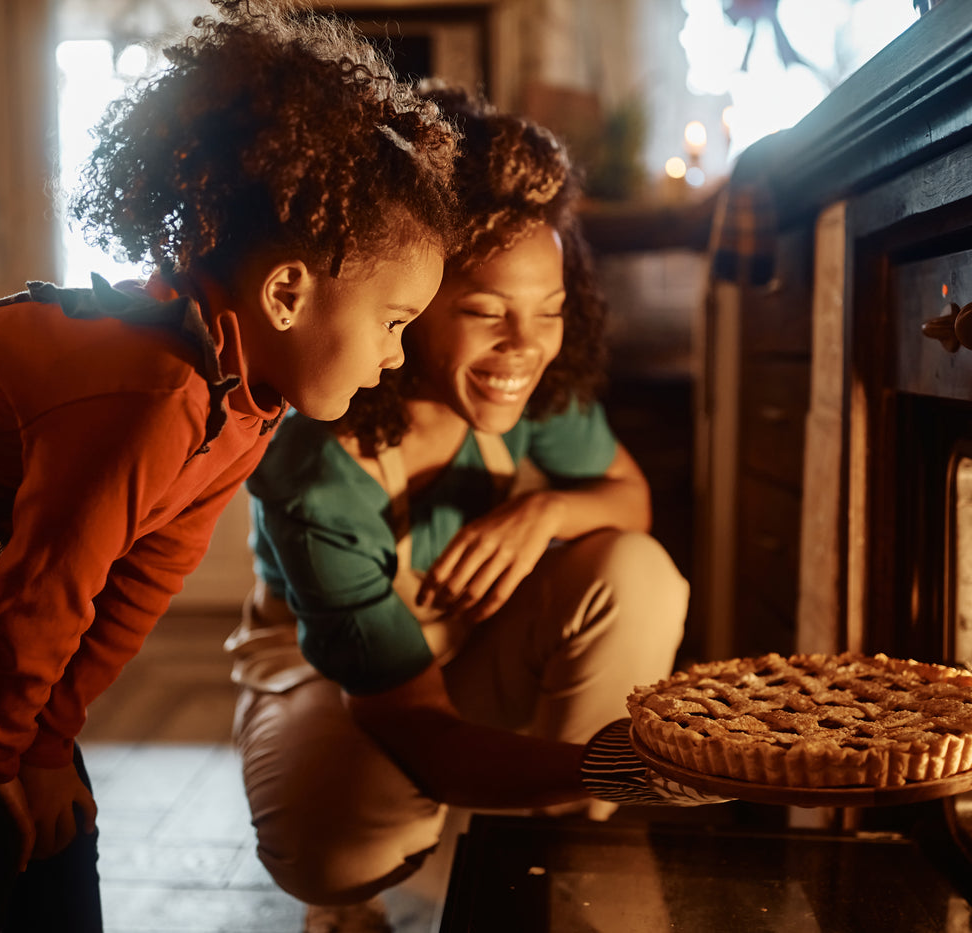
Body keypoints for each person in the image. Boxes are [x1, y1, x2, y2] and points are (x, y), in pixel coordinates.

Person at [0, 4, 459, 930]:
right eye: (395, 321)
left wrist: (48, 741)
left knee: (58, 825)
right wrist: (5, 761)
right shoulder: (150, 396)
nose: (399, 356)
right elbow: (39, 596)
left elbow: (143, 575)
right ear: (288, 293)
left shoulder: (249, 400)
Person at [228, 84, 720, 932]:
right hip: (339, 681)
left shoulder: (536, 389)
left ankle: (554, 843)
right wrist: (620, 767)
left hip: (466, 647)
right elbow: (414, 724)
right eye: (486, 312)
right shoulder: (320, 465)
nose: (524, 348)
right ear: (408, 303)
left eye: (551, 314)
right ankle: (354, 897)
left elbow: (628, 499)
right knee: (335, 841)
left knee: (637, 569)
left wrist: (544, 515)